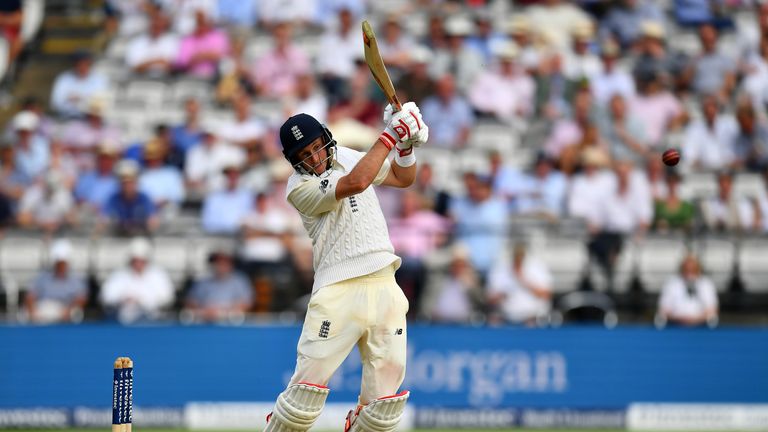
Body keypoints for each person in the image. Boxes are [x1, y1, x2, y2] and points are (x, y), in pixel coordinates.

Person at [263, 101, 428, 432]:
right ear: (293, 162)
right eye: (303, 155)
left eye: (316, 147)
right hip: (338, 291)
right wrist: (390, 135)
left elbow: (402, 177)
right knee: (301, 403)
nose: (314, 158)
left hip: (384, 284)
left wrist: (406, 147)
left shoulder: (350, 157)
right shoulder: (298, 188)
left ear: (326, 138)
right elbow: (356, 183)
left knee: (381, 411)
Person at [100, 237, 174, 324]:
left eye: (141, 260)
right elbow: (106, 297)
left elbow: (167, 298)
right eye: (135, 260)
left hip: (152, 320)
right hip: (121, 320)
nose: (138, 263)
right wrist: (123, 299)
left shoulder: (158, 275)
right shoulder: (119, 275)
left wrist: (142, 301)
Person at [487, 243, 553, 326]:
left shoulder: (537, 268)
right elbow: (490, 299)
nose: (518, 257)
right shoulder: (500, 269)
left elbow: (546, 294)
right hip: (505, 318)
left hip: (533, 318)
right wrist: (503, 295)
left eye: (521, 255)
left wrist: (522, 280)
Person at [25, 240, 87, 324]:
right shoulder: (42, 278)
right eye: (59, 263)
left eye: (63, 264)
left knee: (75, 313)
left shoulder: (75, 280)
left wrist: (68, 310)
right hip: (43, 310)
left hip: (64, 310)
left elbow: (81, 299)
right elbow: (30, 297)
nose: (61, 266)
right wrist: (33, 311)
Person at [185, 248, 253, 323]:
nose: (220, 265)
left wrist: (223, 311)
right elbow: (190, 302)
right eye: (217, 262)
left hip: (231, 323)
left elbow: (246, 303)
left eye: (224, 262)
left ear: (230, 264)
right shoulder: (202, 282)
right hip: (204, 322)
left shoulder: (240, 281)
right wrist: (205, 311)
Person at [658, 254, 718, 327]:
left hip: (702, 326)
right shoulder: (671, 284)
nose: (689, 272)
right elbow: (664, 310)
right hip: (675, 326)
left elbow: (712, 310)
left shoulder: (706, 284)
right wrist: (681, 319)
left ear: (698, 269)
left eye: (693, 269)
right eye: (686, 269)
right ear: (681, 269)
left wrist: (694, 320)